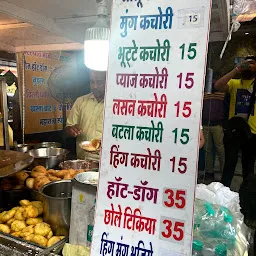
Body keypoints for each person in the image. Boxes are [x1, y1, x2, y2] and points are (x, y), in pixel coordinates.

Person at [214, 55, 256, 187]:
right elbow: (218, 85)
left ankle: (246, 196)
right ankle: (224, 193)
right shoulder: (235, 83)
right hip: (234, 132)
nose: (248, 65)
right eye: (246, 63)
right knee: (229, 166)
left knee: (248, 168)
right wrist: (236, 70)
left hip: (252, 133)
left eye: (252, 63)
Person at [65, 71, 106, 159]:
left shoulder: (115, 105)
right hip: (82, 160)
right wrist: (71, 130)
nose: (95, 86)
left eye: (99, 82)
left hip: (104, 161)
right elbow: (68, 127)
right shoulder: (80, 101)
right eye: (92, 82)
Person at [202, 87, 225, 179]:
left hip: (217, 125)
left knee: (220, 148)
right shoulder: (203, 94)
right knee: (207, 149)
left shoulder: (222, 94)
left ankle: (224, 170)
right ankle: (209, 171)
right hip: (205, 125)